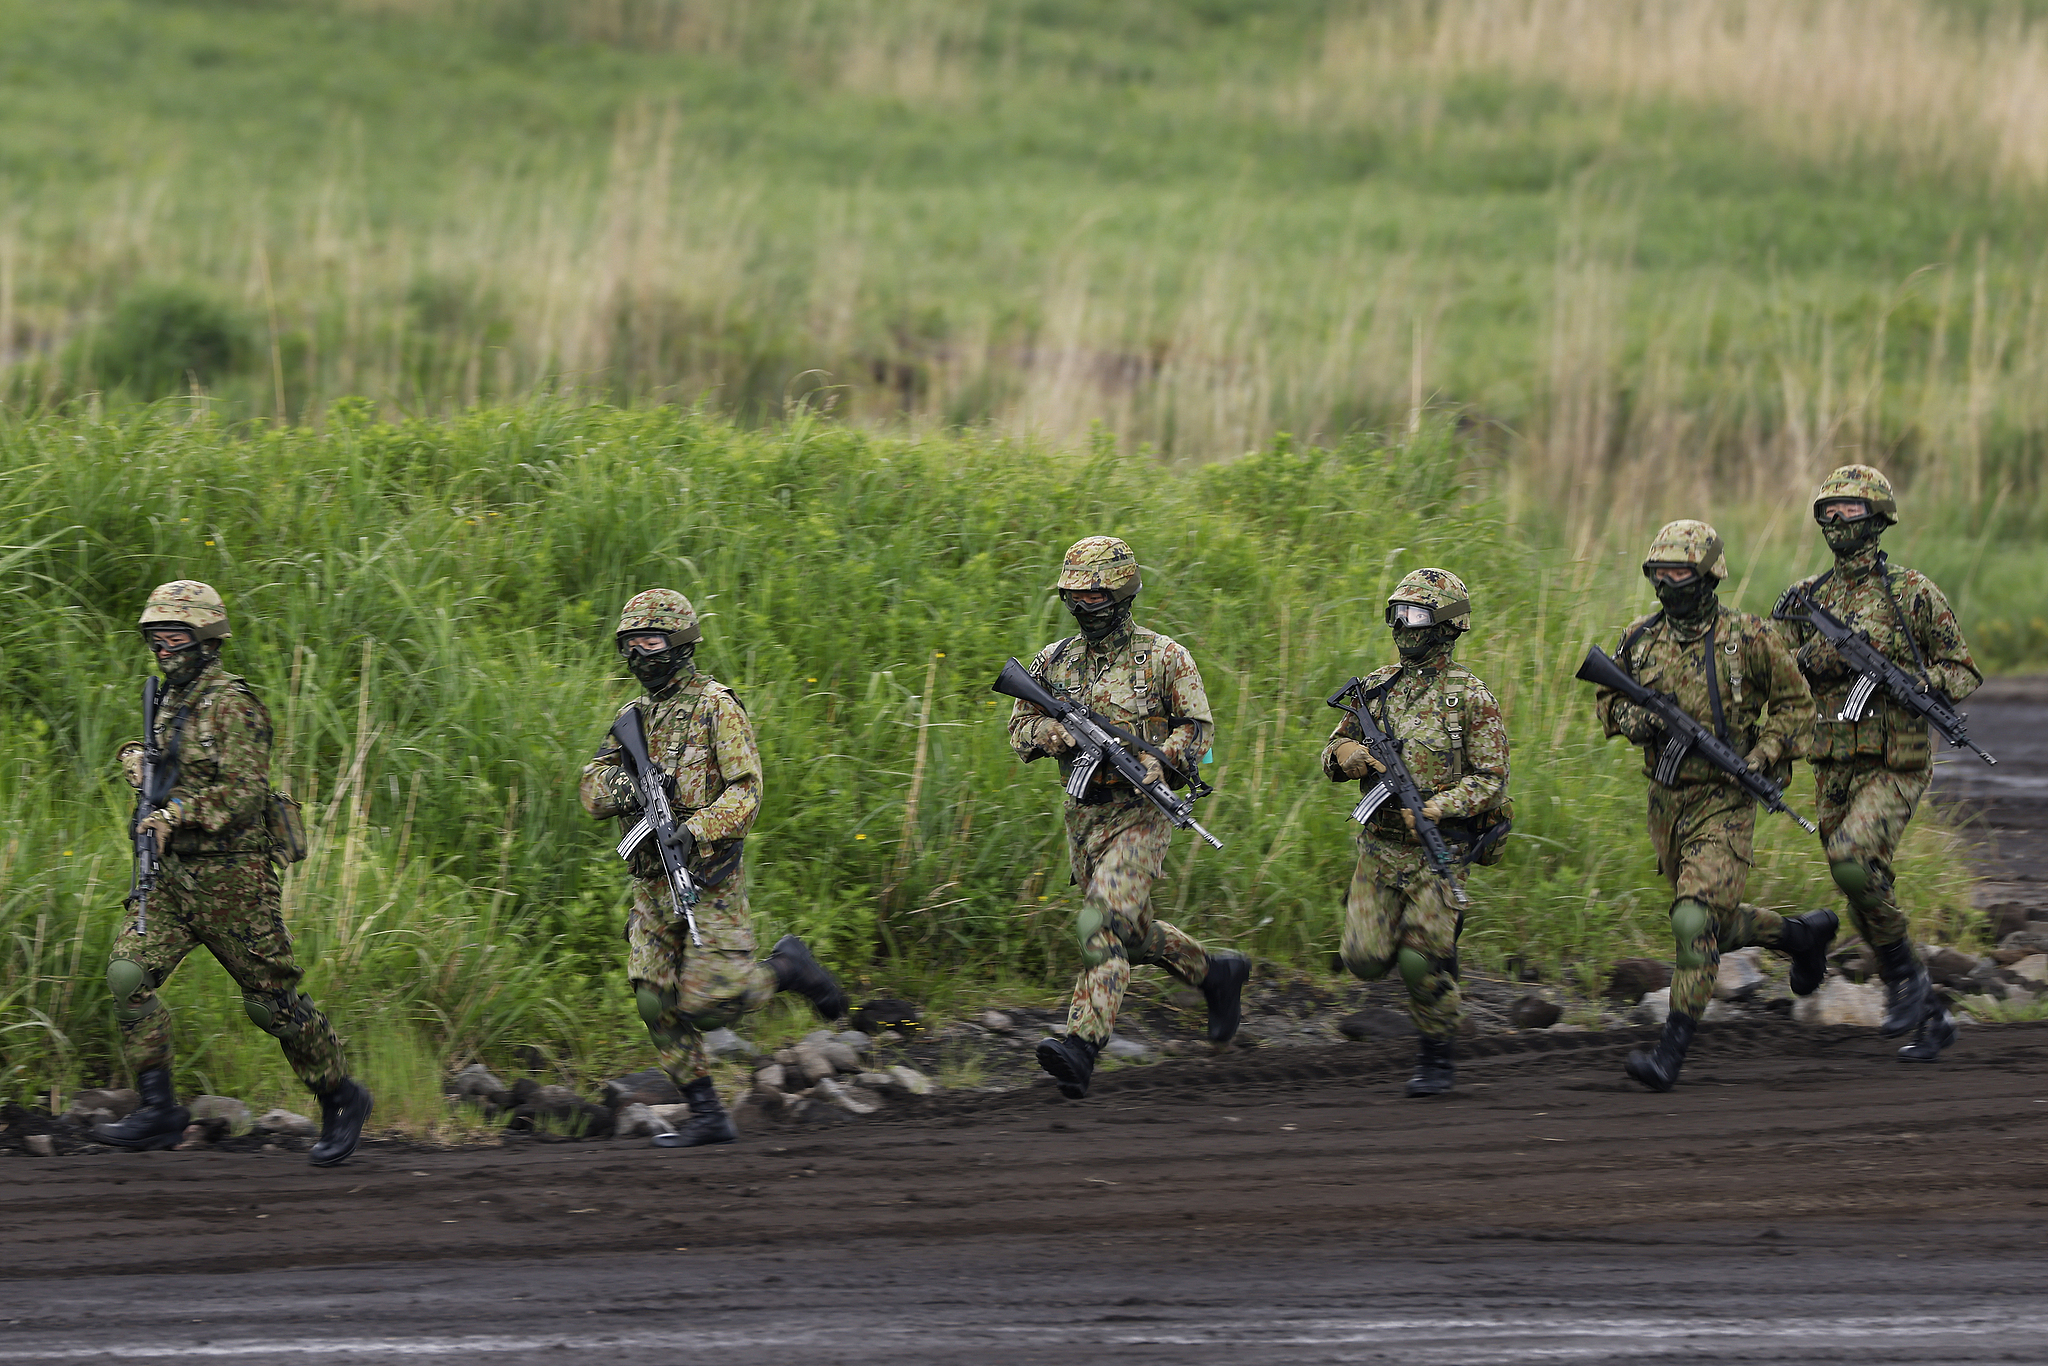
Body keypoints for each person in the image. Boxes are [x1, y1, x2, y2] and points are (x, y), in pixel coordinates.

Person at [95, 581, 372, 1165]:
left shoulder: (234, 705)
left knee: (270, 1005)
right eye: (155, 637)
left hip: (234, 883)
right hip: (171, 880)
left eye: (174, 635)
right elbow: (157, 751)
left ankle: (340, 1096)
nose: (163, 647)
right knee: (127, 976)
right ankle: (159, 1109)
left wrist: (178, 812)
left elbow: (243, 794)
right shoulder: (168, 697)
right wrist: (134, 760)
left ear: (205, 638)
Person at [580, 589, 846, 1148]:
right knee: (652, 996)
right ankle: (706, 1113)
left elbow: (747, 794)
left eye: (650, 640)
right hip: (650, 882)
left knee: (710, 1002)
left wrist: (693, 827)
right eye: (630, 643)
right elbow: (592, 786)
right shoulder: (633, 717)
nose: (639, 653)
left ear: (678, 641)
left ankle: (788, 969)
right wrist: (634, 786)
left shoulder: (714, 706)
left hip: (707, 877)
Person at [1595, 522, 1835, 1091]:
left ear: (1708, 575)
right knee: (1711, 928)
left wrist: (1763, 752)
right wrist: (1641, 718)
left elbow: (1797, 706)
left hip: (1727, 799)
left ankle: (1669, 1054)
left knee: (1693, 918)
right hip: (1666, 803)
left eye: (1679, 571)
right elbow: (1608, 704)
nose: (1668, 582)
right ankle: (1800, 937)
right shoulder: (1638, 639)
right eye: (1659, 572)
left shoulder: (1750, 637)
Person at [1007, 536, 1248, 1099]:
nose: (1084, 605)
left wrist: (1163, 759)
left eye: (1095, 595)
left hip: (1142, 815)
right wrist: (1053, 732)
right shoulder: (1052, 660)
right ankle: (1215, 975)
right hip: (1083, 821)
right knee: (1133, 938)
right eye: (1074, 595)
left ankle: (1081, 1045)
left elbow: (1202, 733)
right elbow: (1019, 733)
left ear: (1121, 593)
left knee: (1101, 926)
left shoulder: (1166, 658)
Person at [1774, 465, 1981, 1062]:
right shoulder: (1805, 599)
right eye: (1828, 511)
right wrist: (1816, 656)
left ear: (1877, 518)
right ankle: (1932, 1014)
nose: (1837, 521)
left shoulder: (1912, 592)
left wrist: (1916, 681)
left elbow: (1962, 670)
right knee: (1865, 885)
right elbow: (1778, 678)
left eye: (1850, 510)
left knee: (1851, 861)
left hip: (1897, 760)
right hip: (1833, 766)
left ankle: (1904, 983)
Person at [1320, 568, 1510, 1097]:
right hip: (1379, 849)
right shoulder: (1375, 688)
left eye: (1418, 615)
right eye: (1398, 613)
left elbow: (1492, 781)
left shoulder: (1471, 698)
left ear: (1447, 626)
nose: (1405, 624)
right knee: (1362, 959)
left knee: (1416, 960)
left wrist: (1436, 808)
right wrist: (1347, 755)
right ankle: (1437, 955)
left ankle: (1437, 1053)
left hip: (1438, 850)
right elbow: (1330, 754)